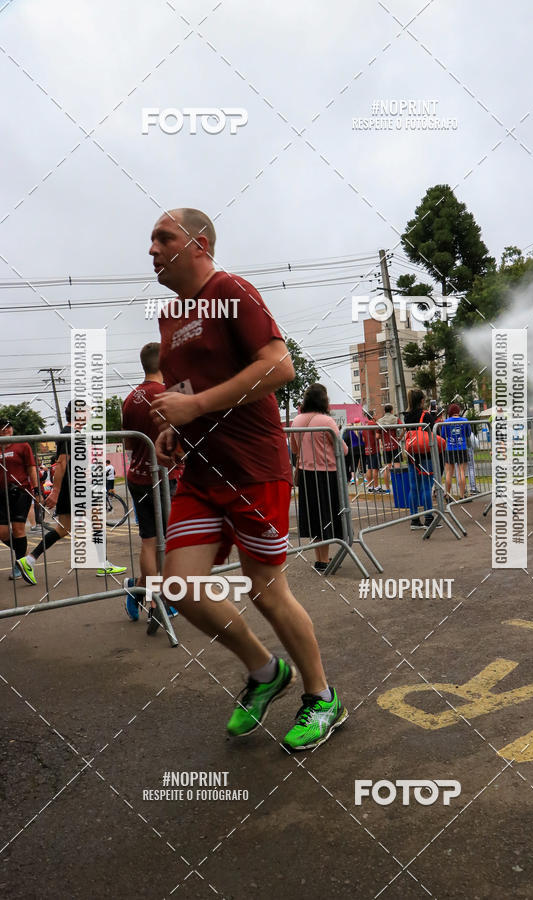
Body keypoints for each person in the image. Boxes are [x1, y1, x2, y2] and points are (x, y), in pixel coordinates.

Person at [148, 207, 347, 752]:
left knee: (265, 590)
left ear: (199, 244)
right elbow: (186, 390)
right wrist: (172, 427)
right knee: (179, 586)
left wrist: (196, 407)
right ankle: (265, 672)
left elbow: (280, 366)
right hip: (200, 472)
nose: (152, 249)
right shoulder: (168, 317)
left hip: (254, 469)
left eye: (163, 238)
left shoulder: (232, 290)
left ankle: (322, 697)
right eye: (151, 241)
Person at [16, 403, 126, 585]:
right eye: (87, 411)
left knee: (63, 528)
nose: (89, 414)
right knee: (96, 520)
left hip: (74, 487)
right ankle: (103, 564)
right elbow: (61, 464)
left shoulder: (72, 433)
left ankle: (29, 560)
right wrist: (56, 492)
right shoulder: (70, 434)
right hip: (74, 488)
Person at [121, 342, 179, 633]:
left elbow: (129, 444)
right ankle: (158, 601)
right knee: (170, 542)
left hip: (138, 475)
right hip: (166, 475)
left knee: (150, 541)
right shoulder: (173, 392)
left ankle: (142, 590)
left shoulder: (130, 398)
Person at [291, 384, 348, 572]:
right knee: (327, 516)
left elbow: (294, 448)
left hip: (305, 474)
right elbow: (343, 449)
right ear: (324, 400)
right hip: (326, 474)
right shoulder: (326, 421)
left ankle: (320, 558)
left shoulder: (296, 420)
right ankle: (323, 561)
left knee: (314, 517)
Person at [0, 419, 39, 580]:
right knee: (2, 533)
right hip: (1, 495)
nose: (6, 430)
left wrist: (37, 489)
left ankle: (19, 564)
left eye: (8, 427)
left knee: (18, 530)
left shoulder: (22, 445)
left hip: (21, 492)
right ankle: (24, 554)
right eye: (2, 428)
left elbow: (31, 468)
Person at [403, 390, 444, 530]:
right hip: (425, 454)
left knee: (414, 487)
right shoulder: (425, 415)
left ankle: (414, 520)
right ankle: (428, 519)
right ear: (421, 400)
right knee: (426, 486)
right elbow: (434, 431)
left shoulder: (407, 416)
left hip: (412, 454)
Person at [439, 404, 472, 501]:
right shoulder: (465, 420)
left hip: (450, 448)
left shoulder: (446, 421)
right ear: (458, 411)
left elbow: (443, 435)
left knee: (449, 473)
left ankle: (447, 495)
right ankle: (462, 496)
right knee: (461, 472)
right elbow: (468, 433)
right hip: (462, 447)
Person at [377, 404, 401, 494]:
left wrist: (383, 437)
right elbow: (404, 428)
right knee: (397, 467)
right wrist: (399, 438)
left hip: (386, 446)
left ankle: (387, 489)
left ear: (384, 411)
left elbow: (377, 436)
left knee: (387, 468)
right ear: (391, 411)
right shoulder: (396, 419)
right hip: (395, 445)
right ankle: (398, 488)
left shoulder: (380, 421)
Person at [362, 410, 381, 493]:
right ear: (373, 416)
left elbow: (363, 439)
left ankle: (370, 487)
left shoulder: (365, 425)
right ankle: (376, 487)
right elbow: (377, 436)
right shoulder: (374, 424)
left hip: (367, 449)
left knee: (369, 468)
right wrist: (381, 436)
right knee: (375, 468)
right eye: (375, 414)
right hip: (374, 449)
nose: (376, 416)